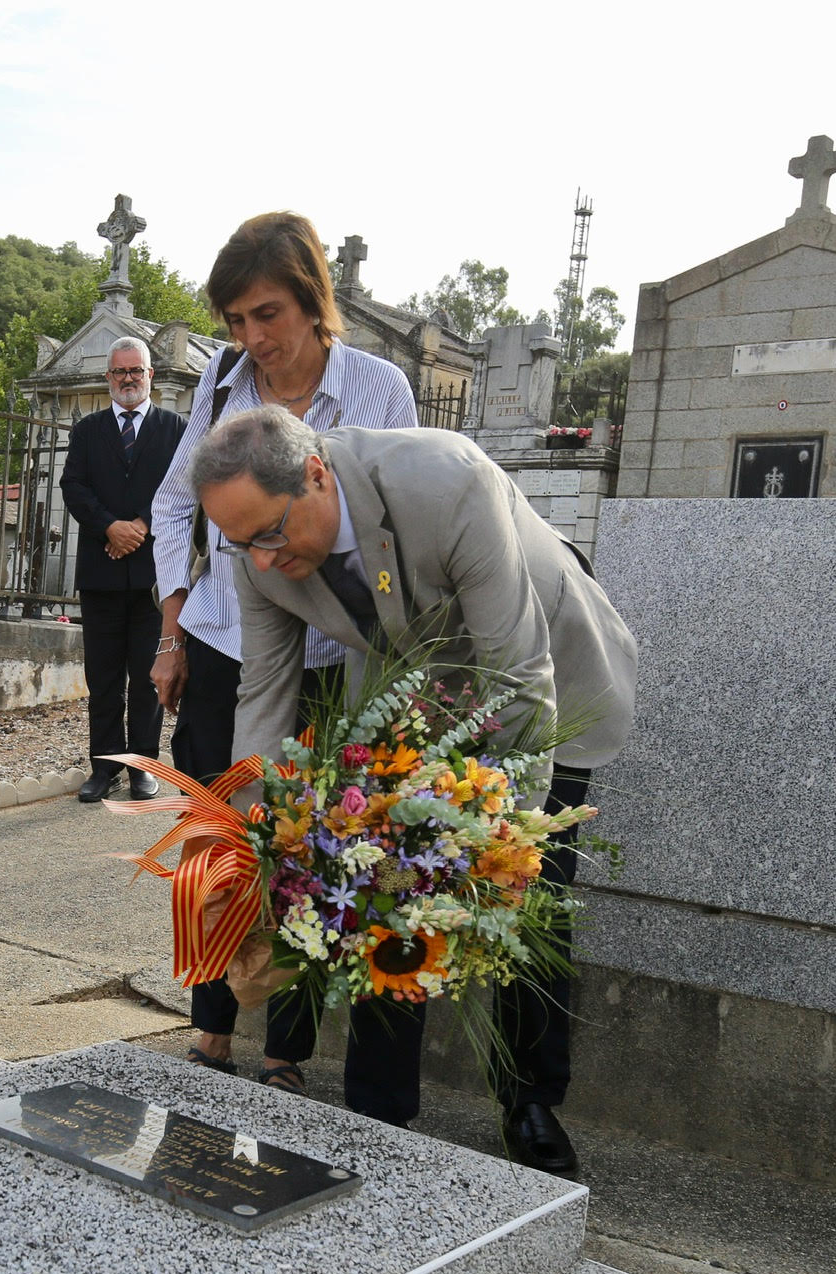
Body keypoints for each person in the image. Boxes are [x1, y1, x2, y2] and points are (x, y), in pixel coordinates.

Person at [193, 406, 639, 1172]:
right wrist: (250, 845)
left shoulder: (447, 481)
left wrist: (507, 841)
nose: (258, 561)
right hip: (414, 682)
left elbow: (518, 673)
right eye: (240, 544)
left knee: (531, 895)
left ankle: (530, 1100)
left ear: (318, 475)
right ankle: (380, 1110)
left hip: (546, 662)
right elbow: (263, 695)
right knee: (379, 882)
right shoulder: (255, 550)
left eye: (269, 534)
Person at [148, 211, 417, 1076]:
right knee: (222, 837)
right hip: (228, 643)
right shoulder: (222, 386)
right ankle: (213, 1024)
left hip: (338, 657)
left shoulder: (381, 390)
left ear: (312, 302)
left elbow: (402, 524)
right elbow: (172, 503)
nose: (252, 338)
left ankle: (287, 1048)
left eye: (267, 314)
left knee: (308, 842)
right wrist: (175, 621)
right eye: (235, 321)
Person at [61, 337, 178, 803]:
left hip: (153, 577)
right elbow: (73, 486)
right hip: (101, 575)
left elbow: (181, 486)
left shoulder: (175, 429)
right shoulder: (88, 431)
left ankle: (143, 768)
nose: (128, 378)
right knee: (104, 676)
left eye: (136, 370)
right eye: (119, 371)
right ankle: (105, 767)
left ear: (151, 375)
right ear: (108, 377)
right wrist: (110, 526)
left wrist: (141, 527)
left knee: (148, 676)